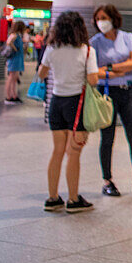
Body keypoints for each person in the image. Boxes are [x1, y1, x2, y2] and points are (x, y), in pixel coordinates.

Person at [38, 11, 98, 213]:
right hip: (76, 105)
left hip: (56, 103)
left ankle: (52, 198)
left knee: (57, 152)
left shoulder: (52, 49)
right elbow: (93, 80)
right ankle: (73, 200)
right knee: (74, 153)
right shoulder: (86, 51)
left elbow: (41, 73)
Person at [90, 4, 132, 197]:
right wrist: (119, 69)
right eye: (98, 18)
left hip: (128, 92)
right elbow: (95, 73)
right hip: (106, 92)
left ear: (113, 18)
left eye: (104, 17)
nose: (101, 22)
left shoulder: (128, 37)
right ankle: (107, 180)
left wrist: (109, 67)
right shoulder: (95, 42)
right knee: (107, 137)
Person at [3, 20, 26, 105]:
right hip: (14, 58)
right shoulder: (14, 35)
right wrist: (15, 49)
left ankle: (14, 95)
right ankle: (8, 97)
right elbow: (9, 42)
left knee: (14, 78)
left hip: (17, 58)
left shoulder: (18, 35)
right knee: (11, 77)